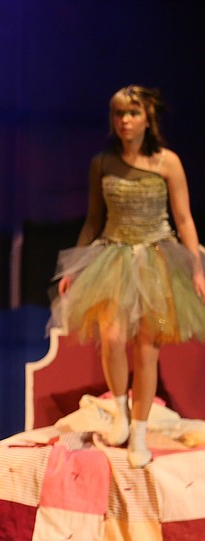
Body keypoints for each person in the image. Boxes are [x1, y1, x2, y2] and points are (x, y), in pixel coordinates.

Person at [53, 85, 205, 468]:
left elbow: (184, 219)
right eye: (119, 114)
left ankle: (139, 433)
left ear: (147, 118)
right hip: (114, 258)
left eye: (132, 113)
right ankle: (120, 415)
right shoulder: (102, 163)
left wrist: (197, 268)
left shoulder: (167, 162)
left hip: (156, 260)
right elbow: (93, 221)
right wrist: (77, 266)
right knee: (113, 337)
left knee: (148, 346)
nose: (125, 121)